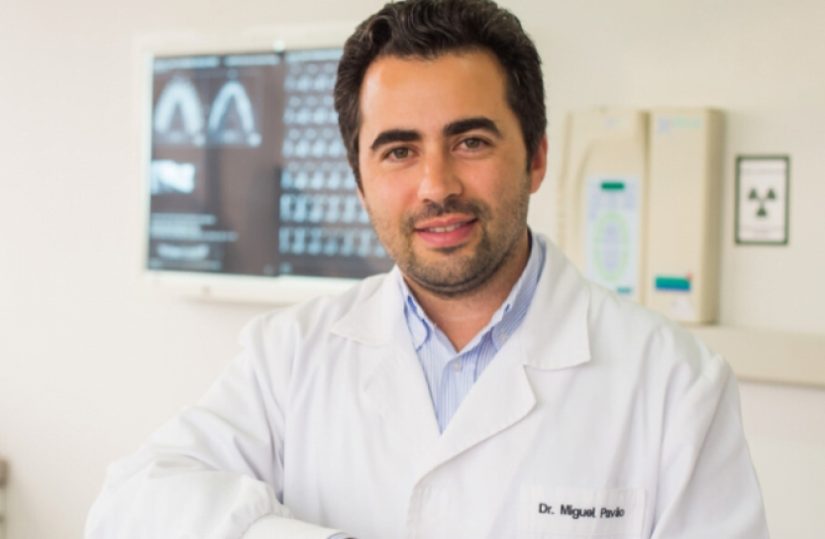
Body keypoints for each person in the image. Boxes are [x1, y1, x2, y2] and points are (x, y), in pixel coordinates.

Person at [87, 0, 769, 537]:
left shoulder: (675, 384)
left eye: (470, 141)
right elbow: (129, 506)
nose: (436, 185)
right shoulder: (287, 356)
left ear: (536, 157)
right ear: (360, 181)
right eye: (398, 151)